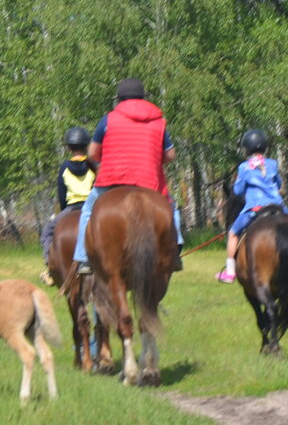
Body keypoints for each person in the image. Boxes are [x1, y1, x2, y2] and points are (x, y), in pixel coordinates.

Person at [72, 77, 185, 276]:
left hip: (112, 178)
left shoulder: (108, 120)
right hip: (149, 180)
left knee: (88, 209)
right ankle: (175, 252)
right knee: (171, 209)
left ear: (119, 99)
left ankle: (83, 258)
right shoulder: (158, 121)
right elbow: (170, 155)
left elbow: (92, 153)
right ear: (143, 98)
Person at [216, 128, 286, 284]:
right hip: (277, 206)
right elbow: (279, 184)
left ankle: (230, 272)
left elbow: (238, 190)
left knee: (233, 233)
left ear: (247, 148)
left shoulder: (244, 167)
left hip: (255, 209)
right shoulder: (272, 164)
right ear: (264, 147)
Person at [39, 126, 95, 281]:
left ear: (69, 147)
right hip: (91, 208)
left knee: (47, 233)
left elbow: (62, 194)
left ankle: (50, 267)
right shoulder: (93, 165)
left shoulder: (64, 167)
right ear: (86, 146)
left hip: (71, 208)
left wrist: (65, 213)